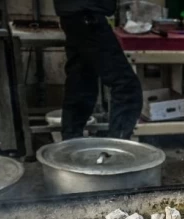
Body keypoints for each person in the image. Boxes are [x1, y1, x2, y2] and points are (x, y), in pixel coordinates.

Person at [54, 0, 142, 140]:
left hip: (73, 16)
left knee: (81, 83)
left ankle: (70, 145)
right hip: (88, 16)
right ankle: (116, 150)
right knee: (126, 87)